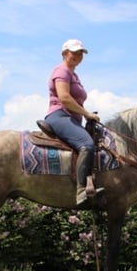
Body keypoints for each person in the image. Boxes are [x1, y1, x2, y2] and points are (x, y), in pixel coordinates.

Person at [45, 38, 103, 205]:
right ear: (64, 53)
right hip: (59, 115)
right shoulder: (61, 71)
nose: (78, 55)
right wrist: (87, 114)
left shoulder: (73, 75)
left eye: (81, 53)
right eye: (74, 52)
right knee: (87, 144)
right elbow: (64, 98)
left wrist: (85, 115)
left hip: (72, 118)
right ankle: (80, 191)